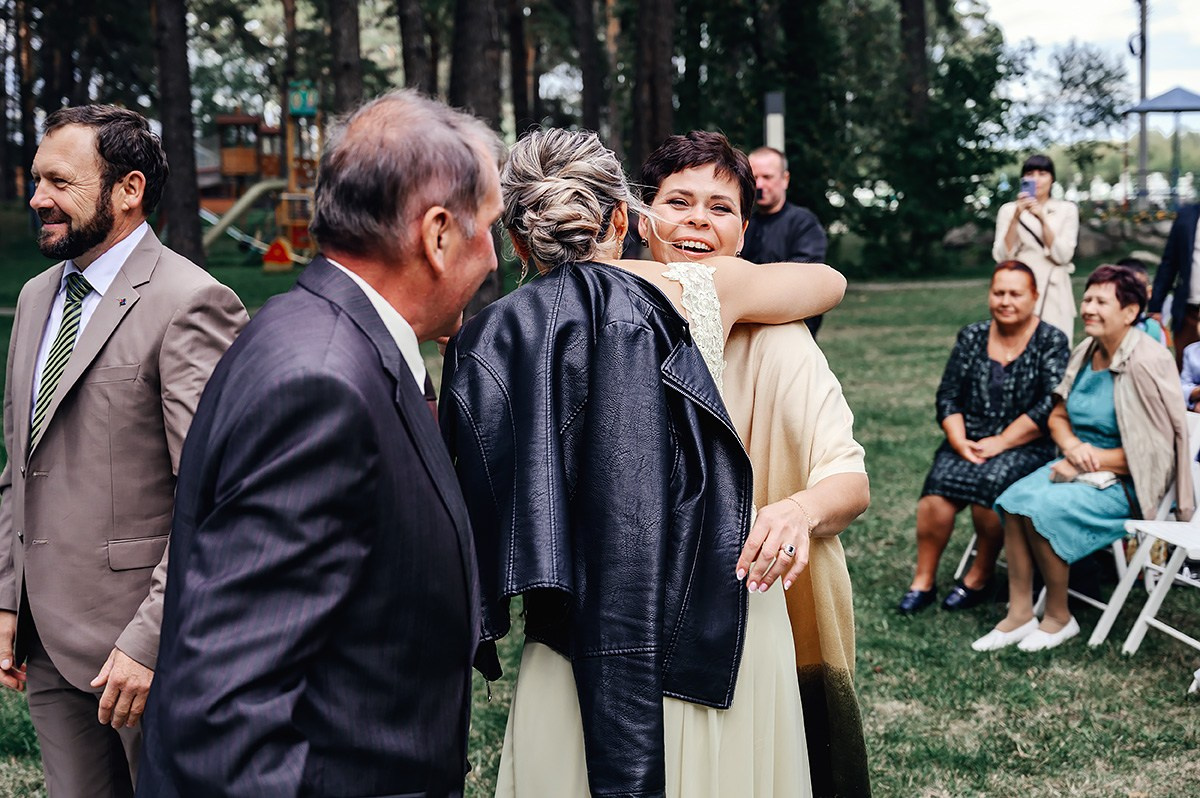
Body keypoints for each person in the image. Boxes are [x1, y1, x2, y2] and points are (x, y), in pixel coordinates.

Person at [440, 128, 849, 798]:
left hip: (566, 612)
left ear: (517, 240)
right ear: (625, 220)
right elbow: (827, 281)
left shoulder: (492, 333)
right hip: (712, 602)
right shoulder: (697, 286)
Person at [137, 91, 501, 796]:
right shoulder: (323, 386)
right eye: (486, 227)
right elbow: (223, 718)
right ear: (436, 233)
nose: (493, 254)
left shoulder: (315, 330)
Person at [0, 105, 248, 797]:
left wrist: (149, 641)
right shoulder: (33, 297)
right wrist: (7, 600)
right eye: (34, 179)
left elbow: (217, 494)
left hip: (147, 651)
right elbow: (18, 463)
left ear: (129, 188)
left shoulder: (192, 301)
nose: (37, 198)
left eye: (58, 181)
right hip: (47, 645)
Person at [639, 131, 872, 798]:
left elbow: (848, 480)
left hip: (739, 613)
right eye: (678, 201)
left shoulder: (777, 339)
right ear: (642, 216)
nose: (697, 221)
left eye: (719, 208)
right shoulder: (607, 321)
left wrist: (798, 509)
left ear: (744, 229)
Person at [974, 264, 1193, 653]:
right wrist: (1073, 448)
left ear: (1130, 312)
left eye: (1100, 301)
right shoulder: (1087, 349)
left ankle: (1059, 617)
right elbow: (1057, 414)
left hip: (1128, 483)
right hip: (1079, 466)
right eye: (1087, 298)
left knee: (1044, 510)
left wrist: (1085, 461)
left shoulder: (1147, 360)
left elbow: (1154, 453)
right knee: (1012, 501)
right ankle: (1020, 613)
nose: (1088, 308)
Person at [897, 262, 1069, 615]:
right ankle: (923, 581)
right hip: (970, 438)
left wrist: (1003, 441)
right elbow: (948, 395)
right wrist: (959, 440)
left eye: (1015, 294)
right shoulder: (972, 336)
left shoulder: (1052, 340)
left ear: (1034, 297)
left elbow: (1050, 403)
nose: (1005, 301)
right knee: (936, 495)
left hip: (1025, 444)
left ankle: (979, 575)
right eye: (998, 292)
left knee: (988, 495)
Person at [742, 146, 830, 338]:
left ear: (785, 179)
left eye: (767, 177)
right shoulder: (743, 224)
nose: (759, 185)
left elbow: (805, 279)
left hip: (791, 330)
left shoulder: (803, 223)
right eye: (754, 178)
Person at [992, 154, 1080, 342]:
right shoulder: (1008, 210)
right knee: (1017, 342)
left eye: (1042, 173)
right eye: (1030, 174)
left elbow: (1064, 255)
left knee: (1055, 345)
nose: (1036, 179)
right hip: (1020, 285)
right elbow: (1002, 256)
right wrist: (1017, 216)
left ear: (1052, 178)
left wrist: (1042, 218)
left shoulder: (1066, 209)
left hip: (1054, 287)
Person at [1148, 201, 1200, 367]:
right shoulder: (1187, 215)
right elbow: (1170, 262)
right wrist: (1155, 306)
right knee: (1184, 371)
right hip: (1189, 311)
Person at [1118, 257, 1171, 348]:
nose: (1132, 295)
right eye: (1126, 288)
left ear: (1148, 292)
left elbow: (1161, 359)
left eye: (1139, 288)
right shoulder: (1107, 325)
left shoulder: (1154, 329)